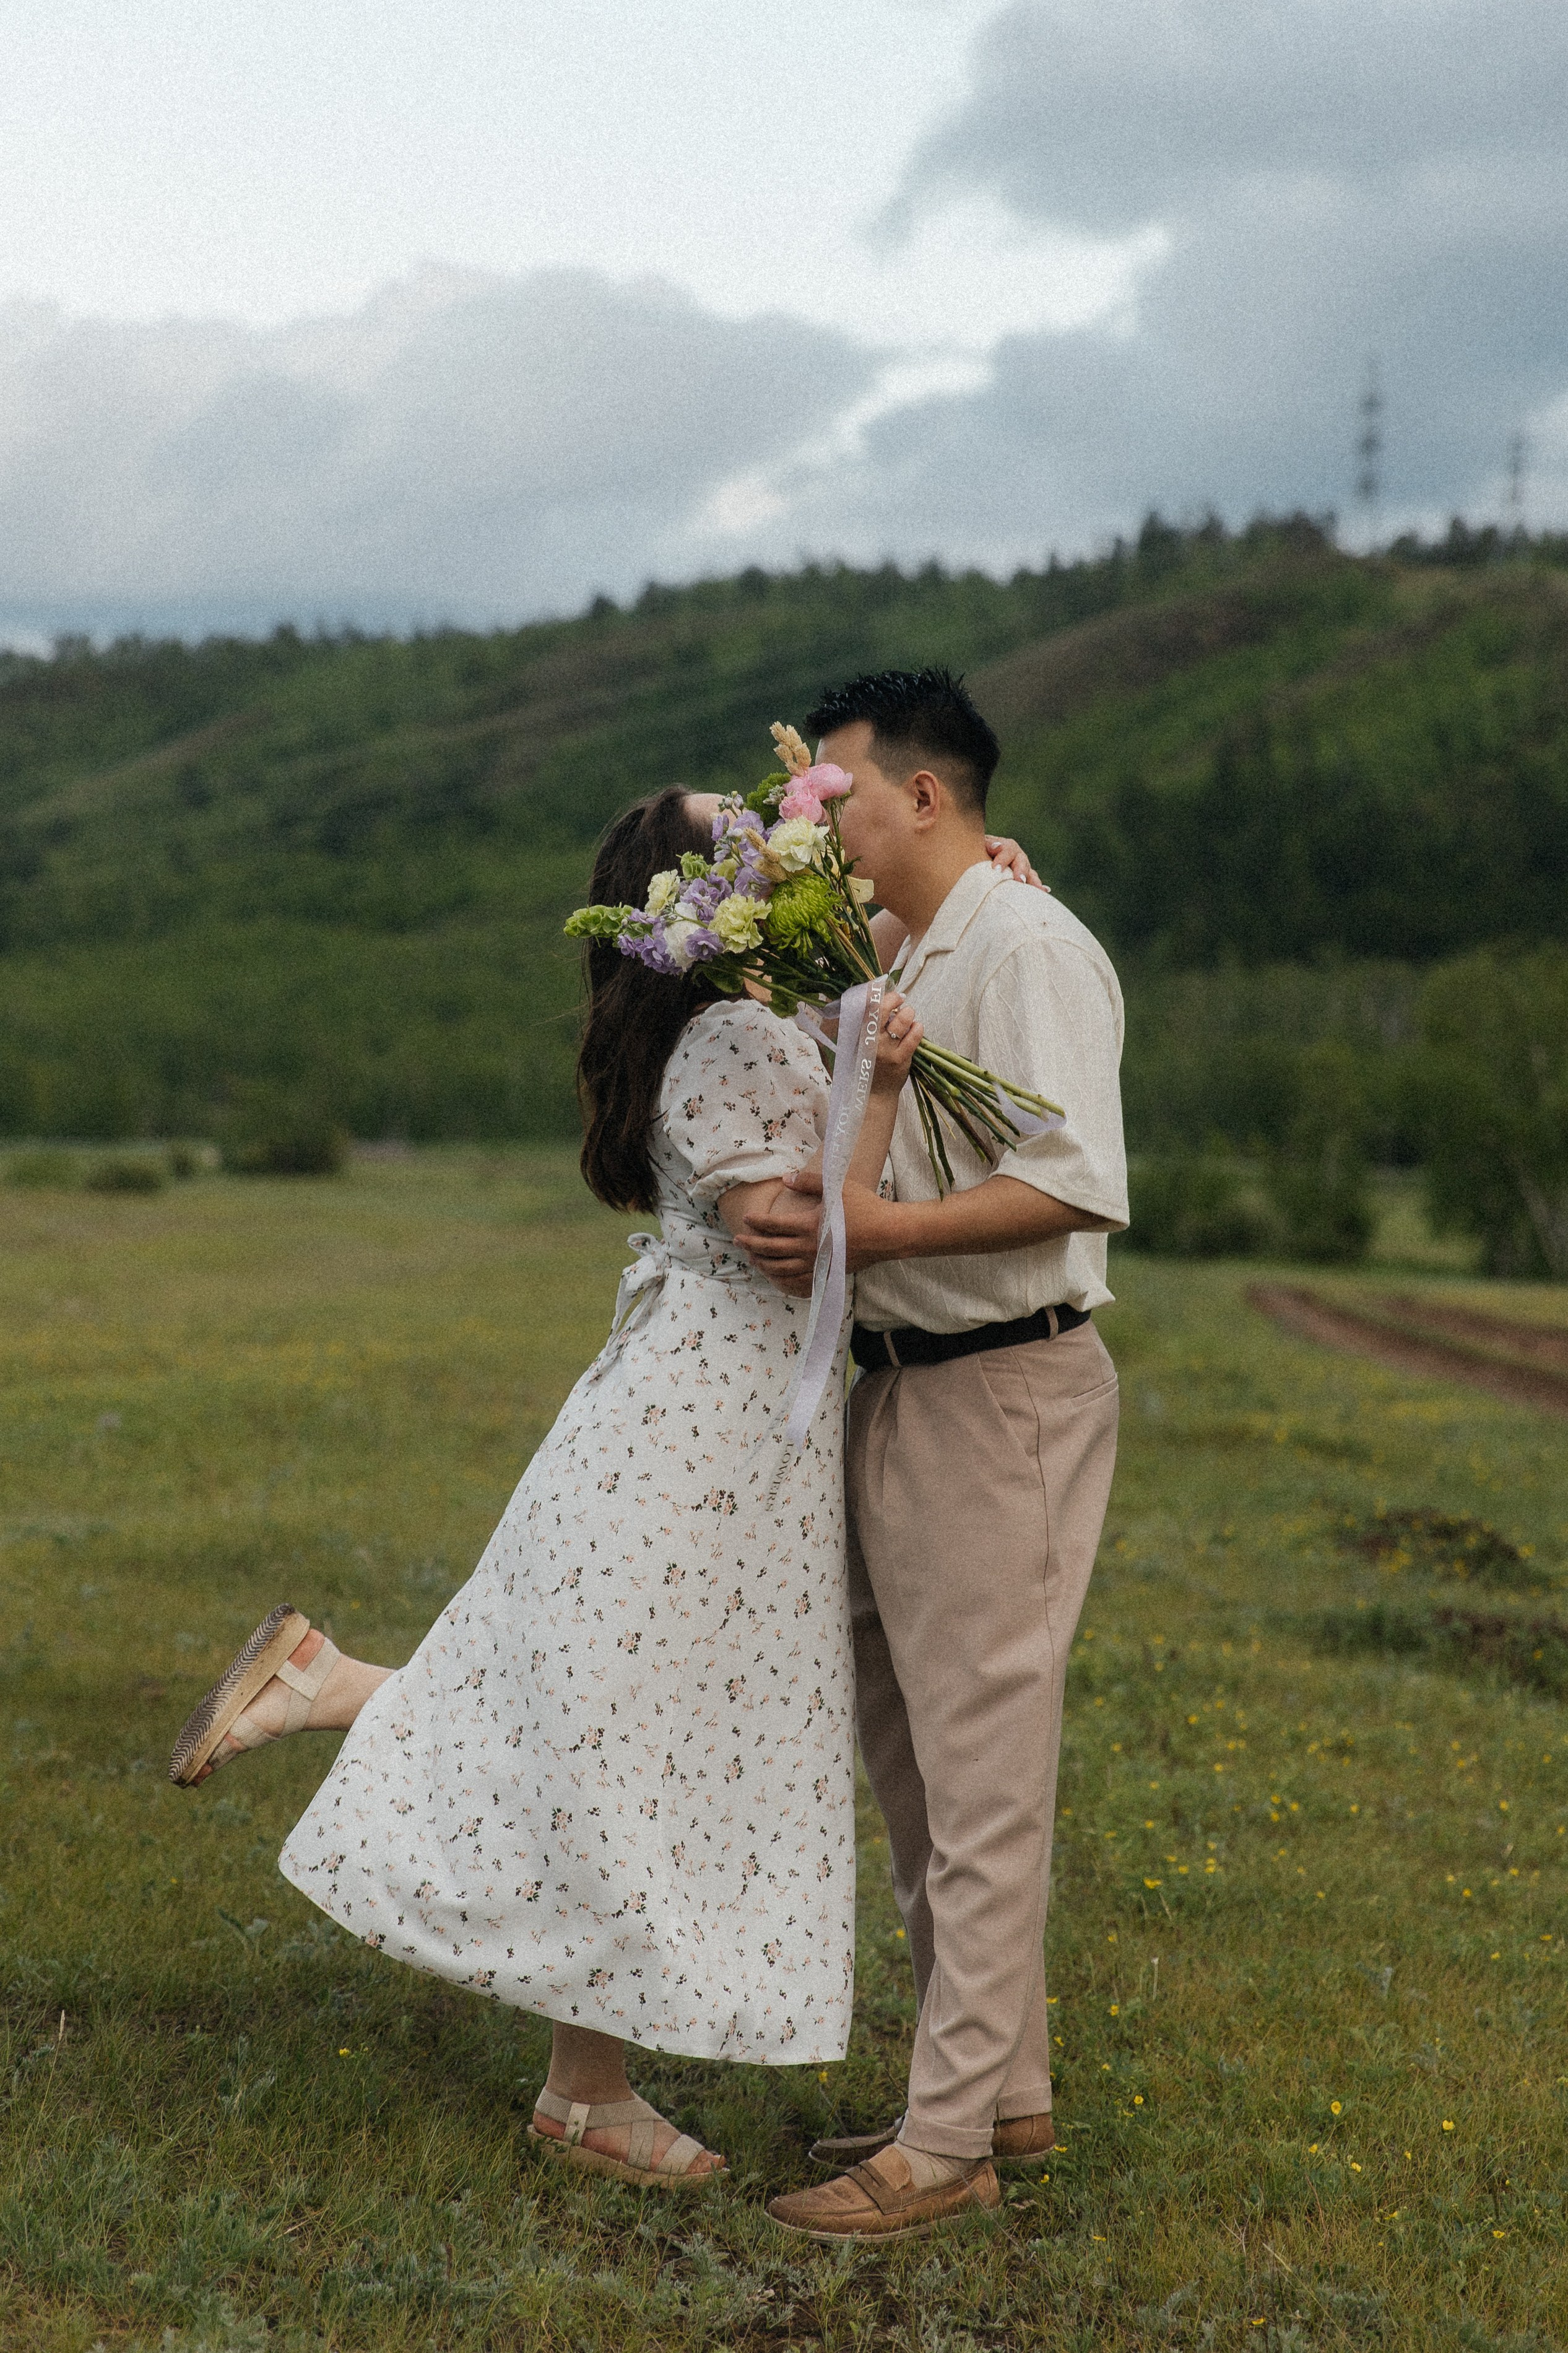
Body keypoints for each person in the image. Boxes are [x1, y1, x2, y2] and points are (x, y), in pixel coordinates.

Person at [168, 781, 1037, 2191]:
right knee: (621, 1745)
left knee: (619, 1735)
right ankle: (583, 2089)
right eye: (744, 843)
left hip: (690, 1416)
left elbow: (841, 982)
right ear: (701, 903)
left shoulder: (703, 1026)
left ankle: (335, 1695)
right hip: (706, 1434)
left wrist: (964, 889)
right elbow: (810, 1237)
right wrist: (878, 1085)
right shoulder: (737, 1038)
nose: (777, 845)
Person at [737, 668, 1128, 2242]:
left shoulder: (1026, 942)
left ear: (922, 796)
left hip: (999, 1388)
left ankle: (944, 2143)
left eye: (833, 796)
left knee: (980, 1780)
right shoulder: (904, 944)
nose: (817, 827)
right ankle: (999, 2092)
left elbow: (1080, 1177)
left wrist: (880, 1231)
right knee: (914, 1762)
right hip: (895, 1383)